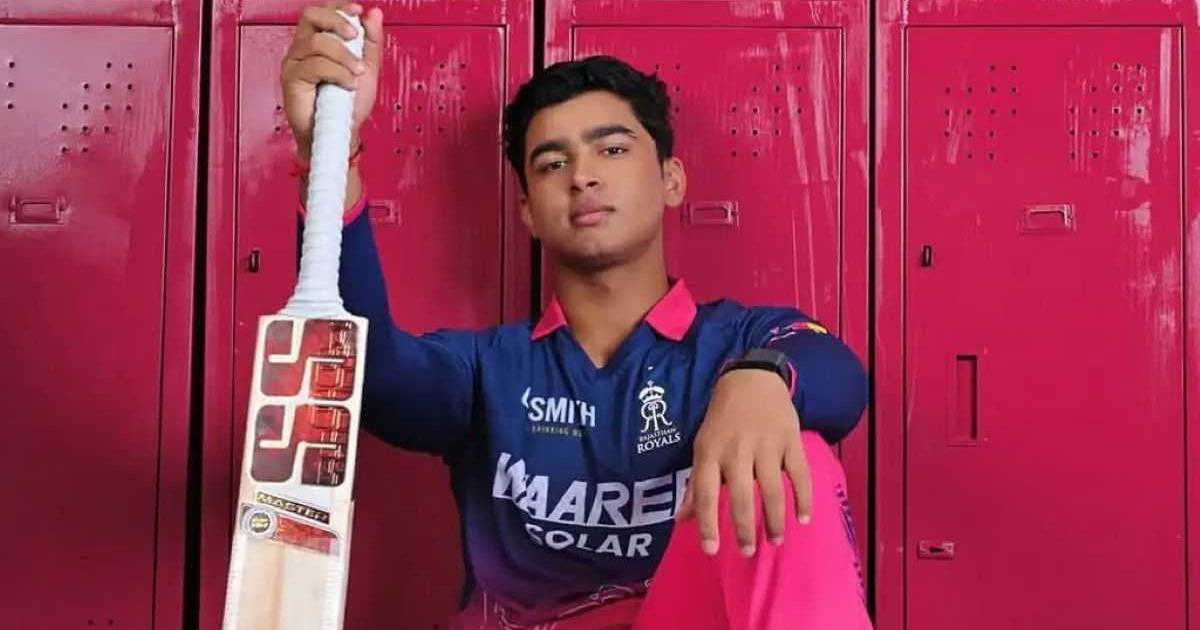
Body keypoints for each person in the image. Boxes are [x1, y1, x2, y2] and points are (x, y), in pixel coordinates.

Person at [282, 3, 872, 628]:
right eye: (552, 163)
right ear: (528, 210)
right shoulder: (486, 370)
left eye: (612, 149)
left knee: (789, 451)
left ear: (671, 180)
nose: (583, 176)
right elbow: (366, 370)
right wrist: (327, 150)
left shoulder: (737, 341)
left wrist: (762, 379)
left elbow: (838, 375)